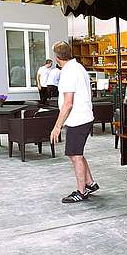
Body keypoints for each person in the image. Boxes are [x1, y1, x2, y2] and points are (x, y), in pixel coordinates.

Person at [50, 41, 99, 203]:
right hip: (84, 117)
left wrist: (57, 127)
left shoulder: (68, 72)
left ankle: (81, 191)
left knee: (75, 155)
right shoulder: (78, 67)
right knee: (77, 152)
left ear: (57, 58)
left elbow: (68, 103)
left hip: (77, 120)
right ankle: (90, 183)